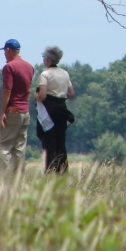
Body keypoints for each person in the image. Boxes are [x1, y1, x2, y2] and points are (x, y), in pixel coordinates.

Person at [0, 38, 35, 172]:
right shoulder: (30, 67)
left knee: (4, 146)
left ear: (8, 50)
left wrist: (3, 112)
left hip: (13, 110)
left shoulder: (9, 67)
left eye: (5, 51)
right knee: (19, 148)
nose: (4, 54)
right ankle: (18, 178)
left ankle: (4, 177)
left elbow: (7, 90)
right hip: (25, 111)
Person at [34, 46, 75, 174]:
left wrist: (35, 95)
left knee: (49, 142)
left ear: (48, 59)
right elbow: (70, 93)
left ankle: (50, 170)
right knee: (60, 142)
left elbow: (42, 95)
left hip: (48, 111)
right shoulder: (65, 73)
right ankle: (62, 170)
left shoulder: (45, 74)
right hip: (62, 110)